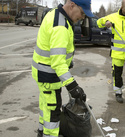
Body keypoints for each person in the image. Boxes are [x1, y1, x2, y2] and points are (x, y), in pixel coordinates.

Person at [31, 0, 94, 137]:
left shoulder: (56, 14)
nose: (82, 17)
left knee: (46, 105)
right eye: (82, 13)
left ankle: (42, 132)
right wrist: (73, 86)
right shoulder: (60, 26)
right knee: (53, 112)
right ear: (72, 5)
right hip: (48, 74)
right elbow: (58, 62)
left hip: (43, 72)